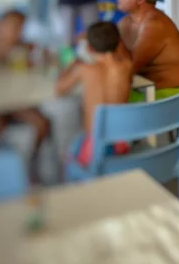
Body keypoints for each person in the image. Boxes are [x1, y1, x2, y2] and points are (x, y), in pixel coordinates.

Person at [0, 10, 52, 183]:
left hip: (20, 104)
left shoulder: (26, 48)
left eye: (20, 27)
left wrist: (41, 57)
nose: (17, 32)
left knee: (42, 124)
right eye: (13, 27)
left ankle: (31, 163)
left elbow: (44, 64)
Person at [114, 0, 179, 107]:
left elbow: (130, 67)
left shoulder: (155, 25)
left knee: (108, 103)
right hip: (146, 90)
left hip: (175, 95)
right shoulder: (126, 22)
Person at [56, 22, 133, 166]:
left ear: (89, 48)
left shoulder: (84, 70)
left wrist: (71, 64)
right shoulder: (127, 66)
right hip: (121, 142)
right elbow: (120, 55)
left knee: (67, 154)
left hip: (94, 147)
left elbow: (59, 89)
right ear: (119, 43)